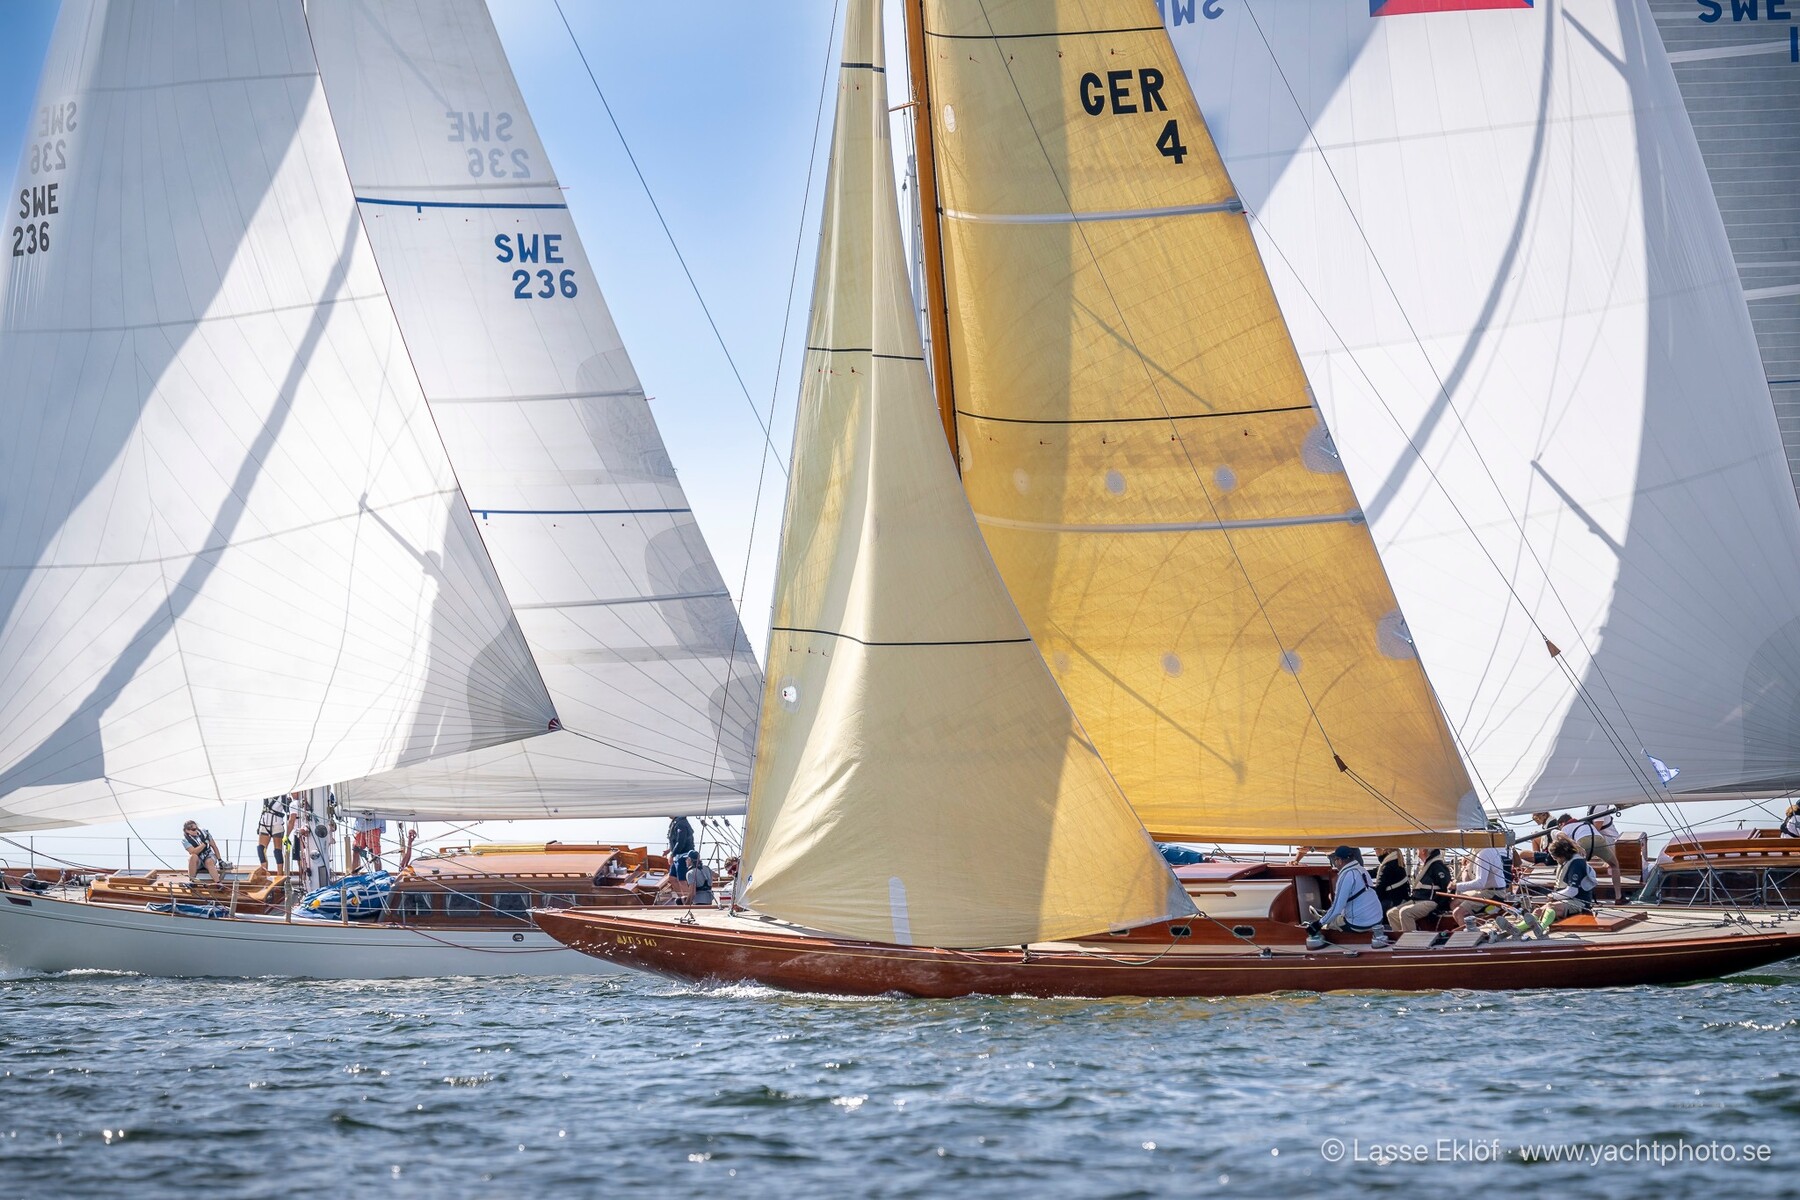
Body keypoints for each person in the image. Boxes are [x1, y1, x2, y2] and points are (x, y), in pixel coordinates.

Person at [1305, 847, 1389, 950]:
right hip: (1377, 920)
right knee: (1335, 915)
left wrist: (1318, 924)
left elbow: (1337, 908)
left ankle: (1322, 927)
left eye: (1335, 860)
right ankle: (1325, 914)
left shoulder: (1346, 875)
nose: (1335, 863)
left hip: (1359, 924)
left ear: (1340, 861)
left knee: (1330, 923)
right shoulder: (1362, 870)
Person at [1448, 839, 1512, 932]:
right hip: (1490, 889)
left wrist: (1456, 886)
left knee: (1458, 913)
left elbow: (1480, 883)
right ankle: (1471, 922)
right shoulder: (1488, 850)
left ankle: (1471, 935)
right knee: (1454, 903)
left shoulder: (1483, 855)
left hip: (1493, 893)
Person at [1535, 836, 1598, 926]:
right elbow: (1554, 832)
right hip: (1566, 900)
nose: (1555, 860)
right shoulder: (1567, 860)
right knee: (1537, 911)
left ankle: (1542, 927)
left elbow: (1572, 891)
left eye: (1555, 858)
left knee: (1550, 907)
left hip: (1580, 902)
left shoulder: (1576, 864)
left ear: (1562, 855)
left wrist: (1553, 896)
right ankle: (1519, 929)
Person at [1387, 847, 1452, 934]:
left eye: (1417, 848)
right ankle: (1400, 938)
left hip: (1431, 901)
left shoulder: (1437, 866)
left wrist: (1438, 909)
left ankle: (1411, 940)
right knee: (1392, 913)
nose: (1416, 850)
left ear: (1423, 850)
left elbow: (1447, 887)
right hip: (1418, 900)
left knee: (1405, 913)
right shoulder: (1428, 865)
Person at [1567, 809, 1622, 902]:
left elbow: (1563, 845)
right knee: (1614, 865)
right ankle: (1618, 897)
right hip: (1598, 839)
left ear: (1561, 823)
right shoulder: (1584, 823)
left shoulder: (1565, 828)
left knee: (1575, 865)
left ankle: (1578, 894)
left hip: (1582, 842)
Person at [255, 793, 294, 873]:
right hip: (264, 823)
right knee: (261, 849)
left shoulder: (282, 795)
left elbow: (287, 810)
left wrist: (289, 803)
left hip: (277, 824)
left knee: (277, 851)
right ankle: (264, 873)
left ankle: (280, 874)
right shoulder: (265, 793)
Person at [182, 821, 226, 885]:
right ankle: (192, 881)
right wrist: (205, 843)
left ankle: (218, 883)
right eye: (193, 829)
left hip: (209, 856)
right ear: (187, 831)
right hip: (198, 861)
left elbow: (214, 846)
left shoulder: (205, 833)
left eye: (196, 828)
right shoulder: (185, 840)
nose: (196, 831)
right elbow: (193, 851)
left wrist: (220, 860)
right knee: (192, 857)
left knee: (209, 861)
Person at [1370, 848, 1409, 915]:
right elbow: (1375, 872)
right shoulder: (1395, 862)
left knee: (1367, 909)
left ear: (1383, 850)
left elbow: (1379, 892)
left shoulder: (1387, 867)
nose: (1375, 851)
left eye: (1375, 848)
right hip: (1401, 899)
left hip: (1392, 901)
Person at [666, 815, 697, 883]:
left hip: (683, 856)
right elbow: (676, 840)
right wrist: (670, 849)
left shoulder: (681, 824)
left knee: (682, 880)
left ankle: (686, 890)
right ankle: (682, 891)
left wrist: (672, 855)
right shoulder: (677, 822)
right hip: (678, 855)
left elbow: (681, 842)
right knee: (672, 878)